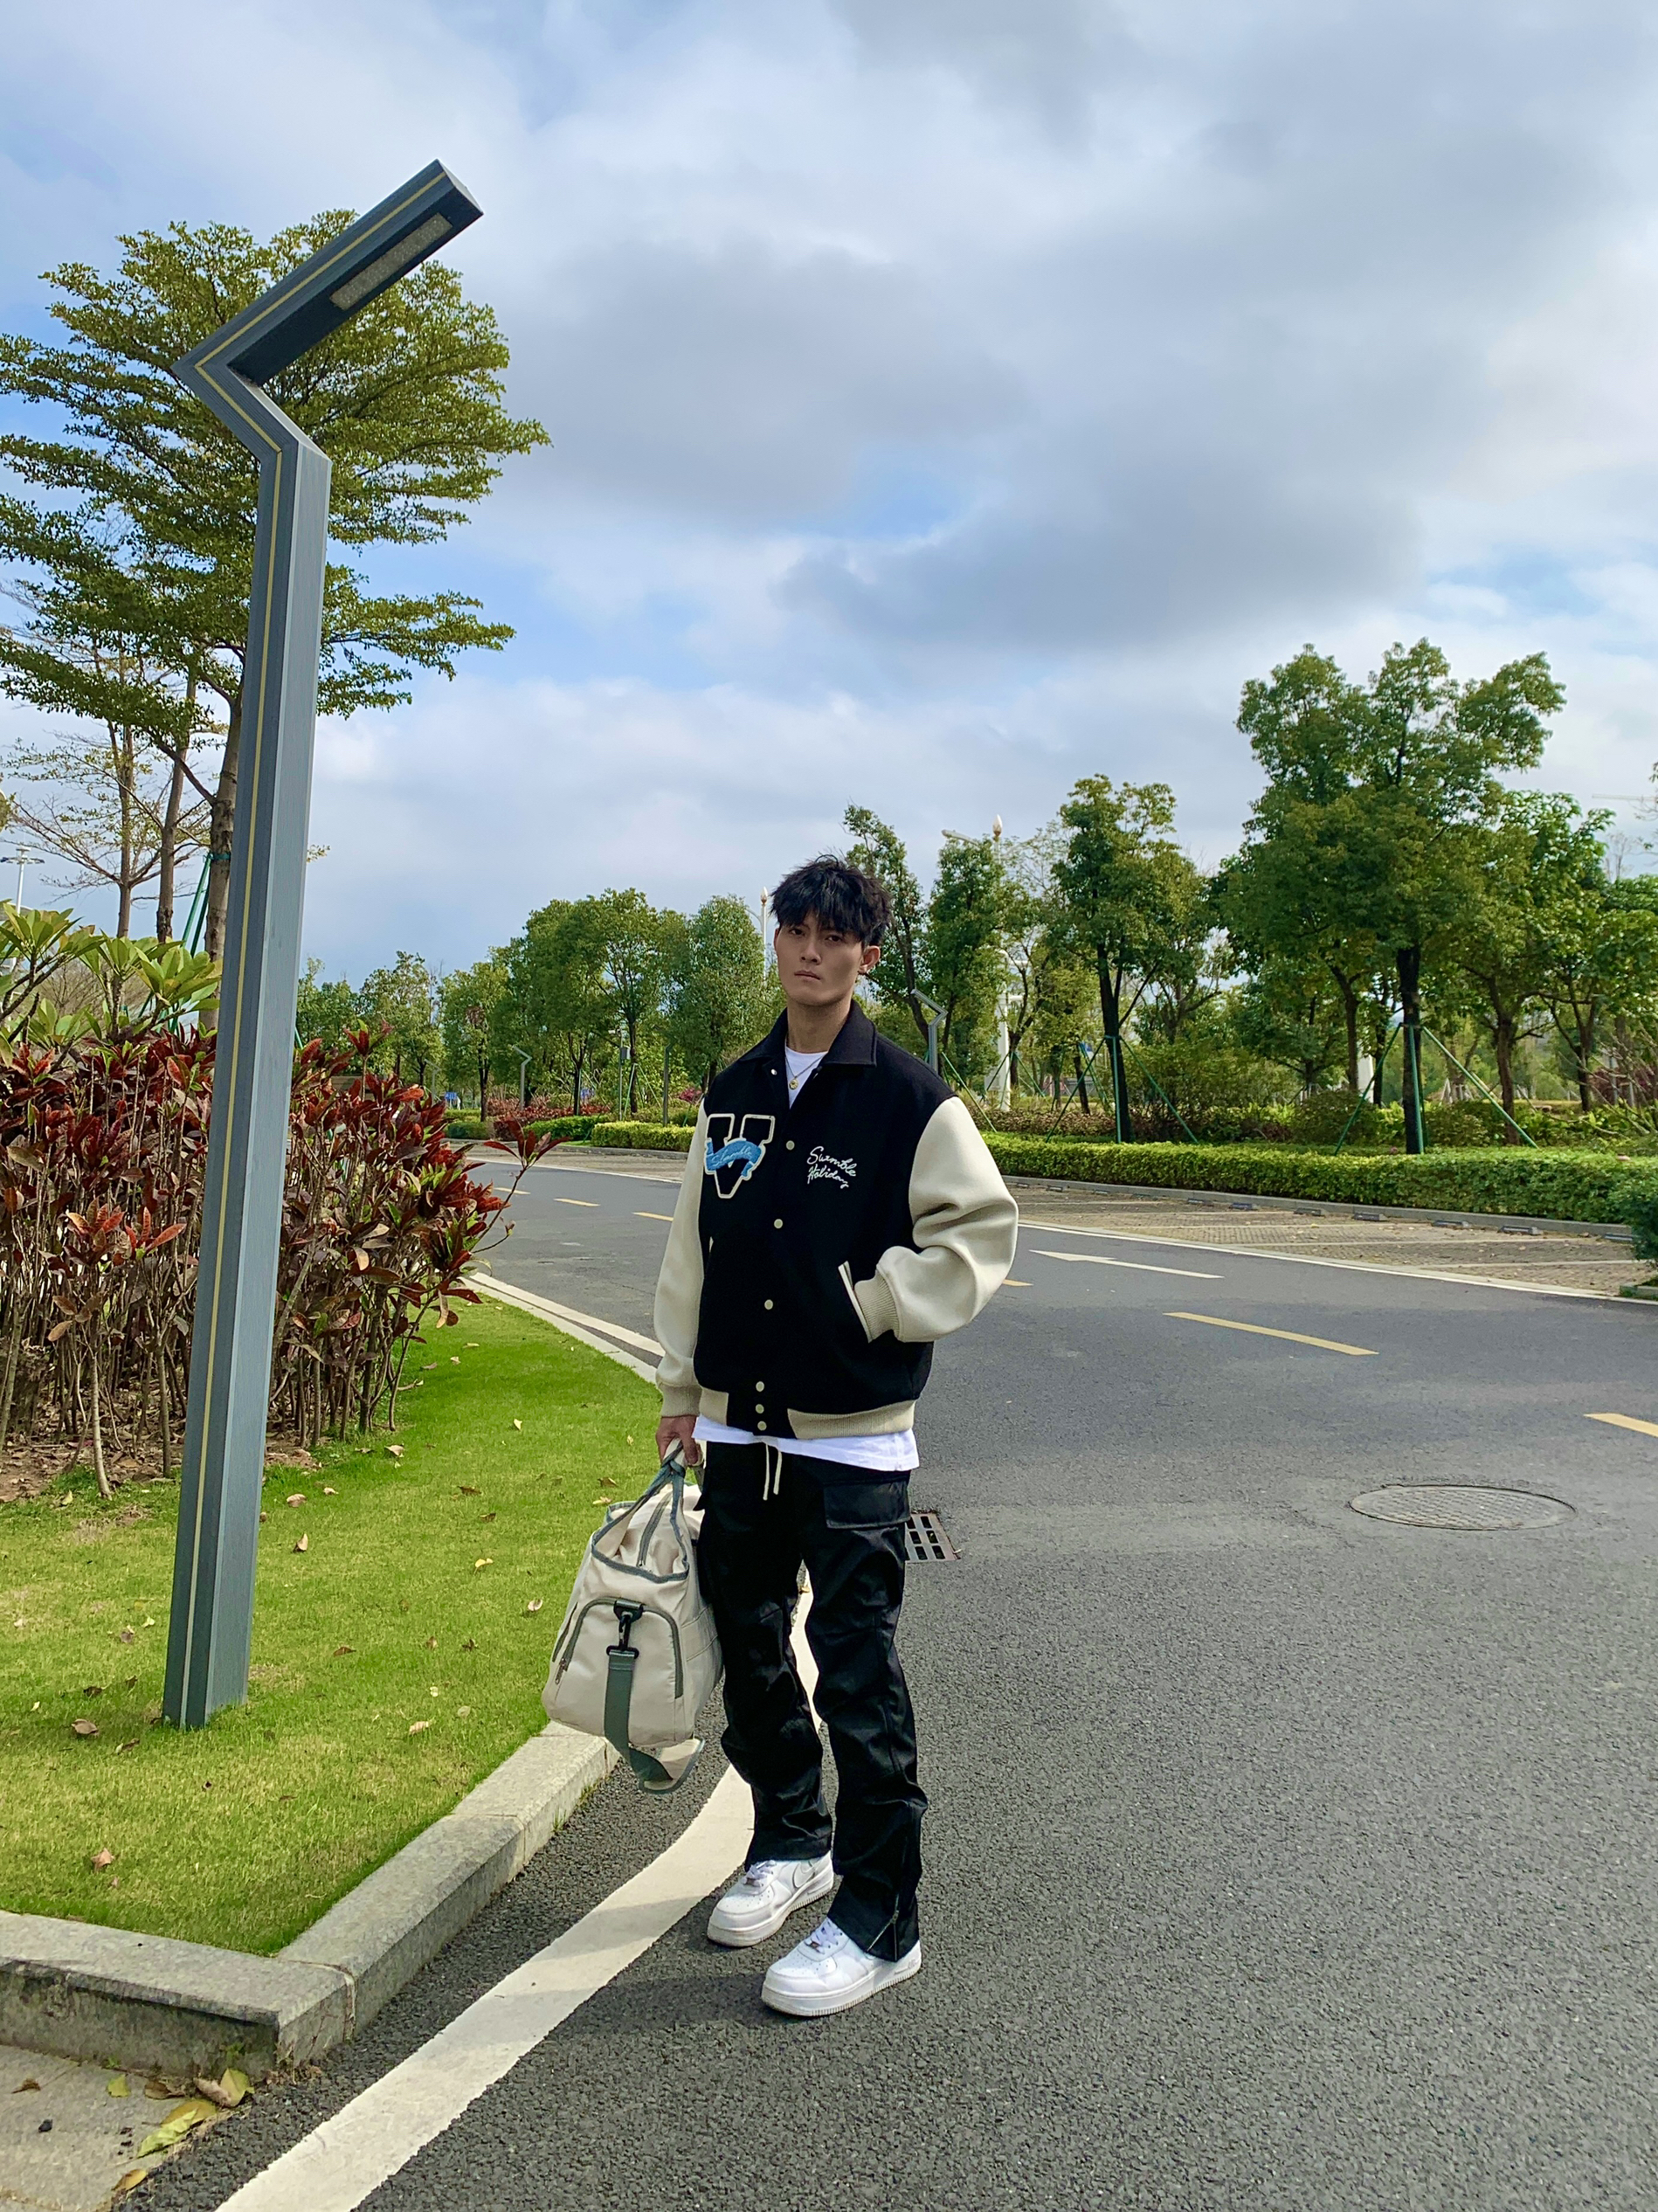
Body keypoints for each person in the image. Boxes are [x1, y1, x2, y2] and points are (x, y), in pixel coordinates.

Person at [653, 854, 1018, 2018]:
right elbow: (692, 1248)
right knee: (752, 1649)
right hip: (737, 1428)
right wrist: (679, 1387)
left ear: (866, 954)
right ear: (776, 941)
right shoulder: (734, 1090)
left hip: (853, 1440)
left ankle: (879, 1916)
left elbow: (978, 1235)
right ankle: (790, 1839)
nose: (809, 953)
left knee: (857, 1674)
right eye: (793, 931)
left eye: (833, 936)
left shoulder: (908, 1098)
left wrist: (874, 1303)